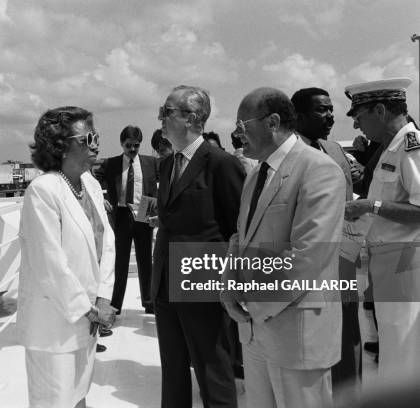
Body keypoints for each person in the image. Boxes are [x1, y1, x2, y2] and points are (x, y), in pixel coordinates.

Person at [222, 87, 346, 408]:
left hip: (296, 331)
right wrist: (228, 284)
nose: (237, 134)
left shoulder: (318, 170)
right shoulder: (256, 174)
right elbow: (241, 238)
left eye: (242, 124)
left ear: (273, 122)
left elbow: (308, 256)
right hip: (255, 327)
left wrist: (253, 301)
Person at [17, 106, 116, 407]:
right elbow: (49, 263)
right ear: (60, 145)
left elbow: (106, 244)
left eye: (96, 136)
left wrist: (103, 298)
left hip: (88, 318)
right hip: (54, 325)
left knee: (79, 395)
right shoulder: (42, 190)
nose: (96, 144)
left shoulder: (91, 184)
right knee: (55, 401)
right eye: (87, 138)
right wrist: (89, 309)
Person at [152, 85, 244, 407]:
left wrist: (233, 284)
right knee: (173, 369)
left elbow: (238, 231)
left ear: (192, 118)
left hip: (202, 284)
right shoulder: (166, 165)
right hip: (164, 283)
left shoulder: (221, 164)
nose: (160, 118)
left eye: (167, 112)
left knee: (212, 370)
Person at [344, 77, 420, 379]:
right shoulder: (390, 149)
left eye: (359, 117)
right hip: (387, 263)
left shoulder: (411, 146)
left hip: (405, 262)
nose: (356, 127)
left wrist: (368, 206)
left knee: (403, 347)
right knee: (392, 343)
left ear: (379, 110)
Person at [291, 86, 361, 396]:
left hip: (344, 263)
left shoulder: (334, 150)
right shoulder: (286, 157)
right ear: (298, 116)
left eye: (331, 108)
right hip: (308, 269)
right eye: (322, 109)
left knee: (349, 338)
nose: (331, 115)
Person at [97, 125, 158, 315]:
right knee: (120, 262)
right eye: (128, 145)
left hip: (144, 214)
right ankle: (116, 305)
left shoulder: (151, 163)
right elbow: (94, 179)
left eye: (136, 145)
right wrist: (102, 197)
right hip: (122, 215)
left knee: (145, 260)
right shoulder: (111, 164)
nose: (132, 149)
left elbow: (166, 182)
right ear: (121, 144)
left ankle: (149, 302)